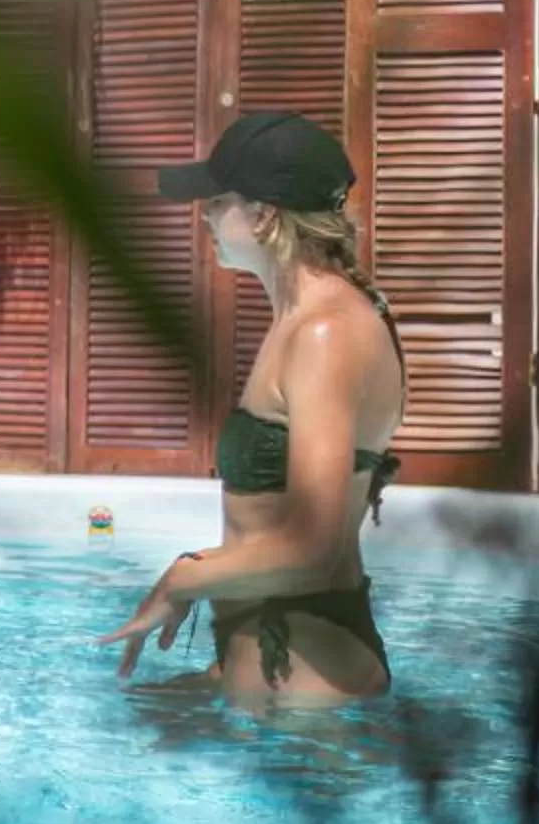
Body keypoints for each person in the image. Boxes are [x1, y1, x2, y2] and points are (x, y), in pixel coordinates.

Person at [98, 112, 406, 704]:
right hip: (274, 677)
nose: (205, 215)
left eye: (217, 202)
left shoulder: (326, 333)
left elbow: (312, 550)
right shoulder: (308, 320)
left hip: (309, 698)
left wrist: (184, 576)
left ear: (264, 216)